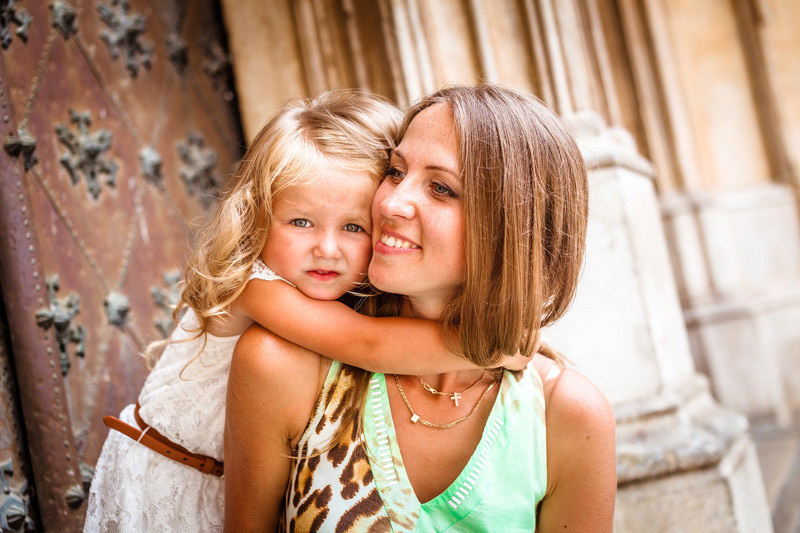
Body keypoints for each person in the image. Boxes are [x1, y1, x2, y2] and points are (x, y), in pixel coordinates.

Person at [84, 90, 521, 533]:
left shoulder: (329, 292)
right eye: (300, 222)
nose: (326, 250)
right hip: (165, 477)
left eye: (353, 227)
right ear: (257, 215)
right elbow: (366, 344)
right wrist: (491, 347)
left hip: (219, 480)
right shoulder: (254, 286)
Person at [225, 84, 617, 532]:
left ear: (513, 231)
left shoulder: (566, 418)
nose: (389, 202)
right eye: (395, 171)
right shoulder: (284, 365)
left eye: (441, 188)